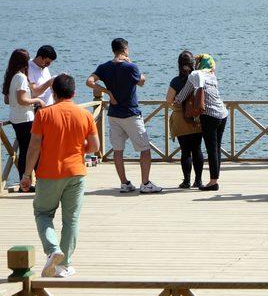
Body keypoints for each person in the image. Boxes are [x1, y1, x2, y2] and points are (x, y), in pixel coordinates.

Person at [20, 74, 100, 278]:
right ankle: (64, 265)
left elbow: (34, 146)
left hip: (49, 173)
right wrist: (80, 147)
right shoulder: (85, 115)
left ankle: (52, 248)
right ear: (74, 93)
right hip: (76, 173)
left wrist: (27, 174)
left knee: (43, 214)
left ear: (53, 93)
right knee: (71, 220)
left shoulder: (44, 115)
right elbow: (95, 147)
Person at [86, 38, 162, 193]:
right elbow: (142, 81)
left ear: (113, 50)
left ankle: (124, 183)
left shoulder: (104, 67)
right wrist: (133, 64)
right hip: (131, 114)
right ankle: (145, 183)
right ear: (125, 49)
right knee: (145, 149)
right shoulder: (131, 67)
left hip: (114, 115)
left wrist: (107, 92)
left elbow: (89, 81)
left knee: (118, 150)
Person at [174, 54, 228, 191]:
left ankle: (213, 182)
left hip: (209, 115)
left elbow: (184, 93)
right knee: (217, 147)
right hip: (223, 114)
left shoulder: (195, 74)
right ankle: (215, 178)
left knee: (211, 149)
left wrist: (177, 101)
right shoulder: (212, 75)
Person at [2, 49, 45, 191]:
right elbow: (22, 99)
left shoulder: (11, 76)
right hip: (25, 119)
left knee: (24, 150)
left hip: (15, 117)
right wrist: (37, 100)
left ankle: (24, 183)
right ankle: (32, 183)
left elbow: (7, 100)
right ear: (24, 62)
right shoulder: (20, 77)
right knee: (32, 150)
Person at [166, 50, 203, 189]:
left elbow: (169, 100)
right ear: (192, 63)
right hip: (197, 116)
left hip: (180, 117)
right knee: (197, 149)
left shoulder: (176, 81)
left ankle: (186, 181)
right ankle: (198, 181)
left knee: (185, 151)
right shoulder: (198, 78)